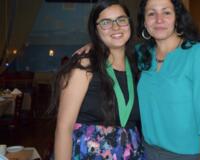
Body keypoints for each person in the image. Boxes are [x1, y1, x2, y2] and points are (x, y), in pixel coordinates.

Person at [76, 0, 200, 159]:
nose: (159, 19)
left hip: (193, 155)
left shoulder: (199, 55)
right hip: (148, 153)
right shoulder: (141, 54)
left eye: (166, 12)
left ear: (177, 18)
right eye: (151, 13)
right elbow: (113, 44)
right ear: (145, 22)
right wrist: (93, 44)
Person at [53, 0, 144, 159]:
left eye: (121, 20)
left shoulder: (139, 64)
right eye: (105, 22)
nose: (115, 27)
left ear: (129, 23)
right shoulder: (85, 64)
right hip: (87, 154)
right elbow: (63, 127)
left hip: (131, 153)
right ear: (96, 30)